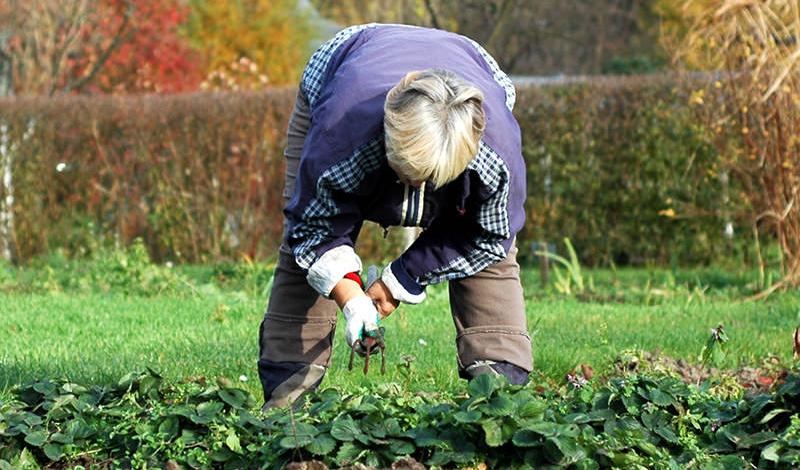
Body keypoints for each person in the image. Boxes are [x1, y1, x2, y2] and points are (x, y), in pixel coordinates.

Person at [258, 23, 532, 409]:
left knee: (492, 259)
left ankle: (500, 389)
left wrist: (400, 280)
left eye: (430, 179)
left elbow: (488, 236)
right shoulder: (340, 131)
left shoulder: (497, 154)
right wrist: (353, 301)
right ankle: (288, 392)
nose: (417, 186)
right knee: (300, 246)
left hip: (468, 68)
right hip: (346, 72)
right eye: (407, 173)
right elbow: (316, 227)